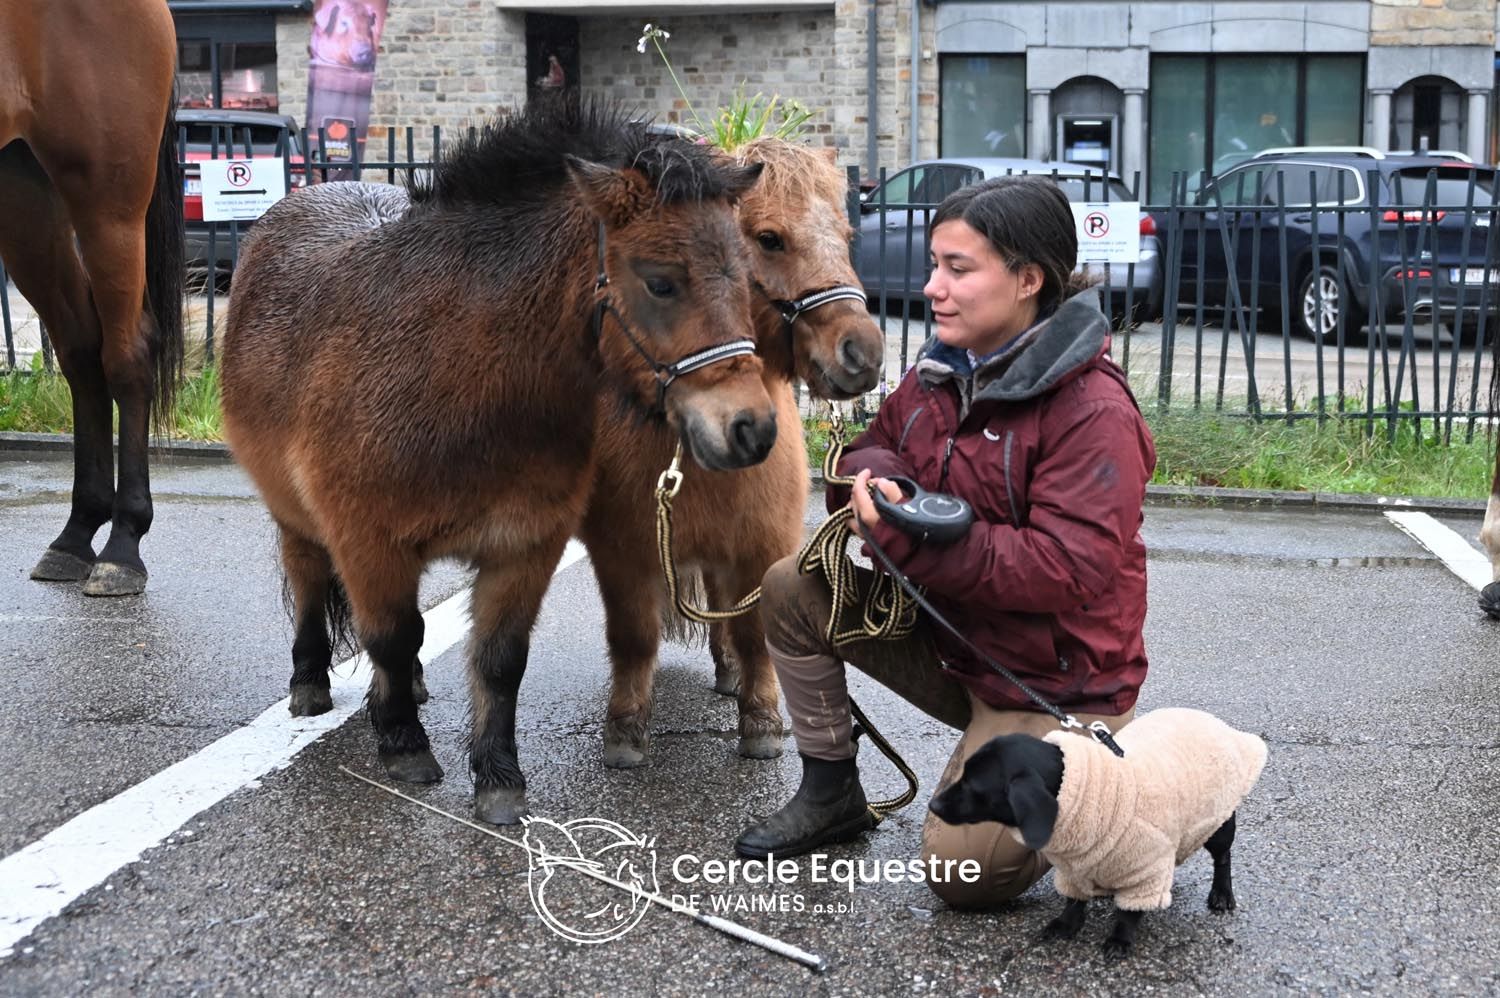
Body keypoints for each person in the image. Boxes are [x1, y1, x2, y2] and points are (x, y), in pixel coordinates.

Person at [735, 175, 1157, 908]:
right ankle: (832, 794)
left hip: (1054, 684)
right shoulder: (941, 372)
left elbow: (1064, 569)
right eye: (935, 265)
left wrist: (904, 538)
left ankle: (1127, 785)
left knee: (965, 874)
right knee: (791, 587)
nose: (933, 288)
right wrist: (878, 486)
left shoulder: (1095, 410)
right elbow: (872, 447)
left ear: (1029, 280)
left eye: (958, 269)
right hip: (953, 645)